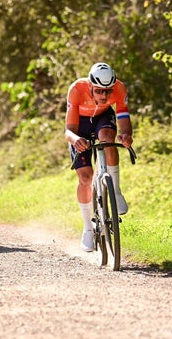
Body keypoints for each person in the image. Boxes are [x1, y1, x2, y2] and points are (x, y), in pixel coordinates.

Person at [65, 62, 133, 252]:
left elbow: (123, 118)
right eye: (99, 91)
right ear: (90, 86)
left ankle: (116, 192)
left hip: (103, 118)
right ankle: (87, 228)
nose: (104, 96)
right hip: (81, 124)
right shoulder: (76, 90)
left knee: (108, 139)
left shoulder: (119, 89)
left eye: (108, 91)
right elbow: (69, 131)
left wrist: (126, 135)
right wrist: (77, 139)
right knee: (85, 178)